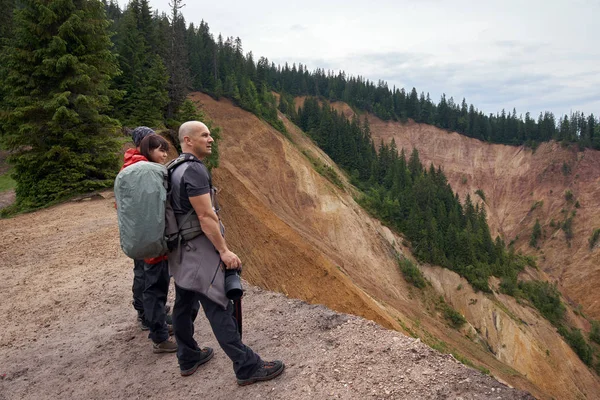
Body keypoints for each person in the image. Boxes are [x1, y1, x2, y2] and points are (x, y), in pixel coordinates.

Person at [169, 121, 284, 384]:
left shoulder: (174, 168)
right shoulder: (195, 170)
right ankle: (246, 366)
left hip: (181, 250)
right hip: (199, 250)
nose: (211, 139)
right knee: (219, 304)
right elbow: (205, 215)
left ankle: (187, 357)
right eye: (204, 135)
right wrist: (223, 250)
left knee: (184, 303)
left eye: (210, 133)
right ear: (188, 140)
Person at [136, 134, 177, 353]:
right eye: (161, 150)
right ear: (149, 150)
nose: (164, 155)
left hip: (147, 241)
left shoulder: (135, 170)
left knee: (153, 287)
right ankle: (160, 338)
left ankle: (158, 325)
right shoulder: (149, 174)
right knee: (155, 289)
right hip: (155, 244)